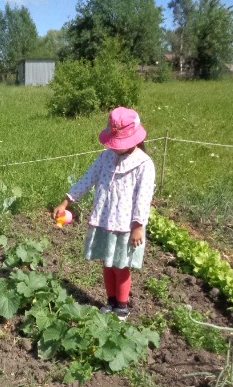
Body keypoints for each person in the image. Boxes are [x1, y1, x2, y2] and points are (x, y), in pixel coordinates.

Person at [53, 107, 156, 321]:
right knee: (108, 264)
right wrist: (66, 201)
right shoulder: (106, 157)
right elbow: (88, 179)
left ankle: (122, 305)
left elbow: (143, 198)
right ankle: (110, 301)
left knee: (121, 265)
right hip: (104, 220)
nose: (115, 147)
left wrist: (138, 225)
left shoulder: (144, 164)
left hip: (126, 226)